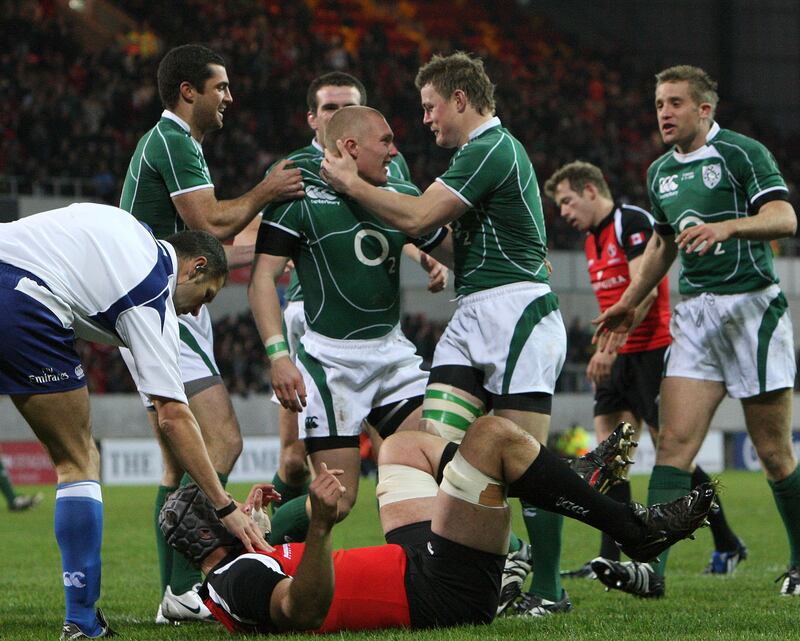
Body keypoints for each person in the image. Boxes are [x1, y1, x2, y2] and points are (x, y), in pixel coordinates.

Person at [322, 51, 568, 616]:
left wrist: (352, 184)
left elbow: (415, 217)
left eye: (430, 106)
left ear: (460, 100)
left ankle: (547, 590)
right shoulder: (474, 157)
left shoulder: (490, 147)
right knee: (444, 452)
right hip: (474, 311)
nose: (426, 118)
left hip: (516, 315)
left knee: (524, 465)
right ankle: (482, 570)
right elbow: (448, 239)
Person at [159, 416, 715, 634]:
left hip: (417, 564)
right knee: (490, 438)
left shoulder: (236, 567)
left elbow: (273, 560)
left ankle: (564, 478)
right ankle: (631, 528)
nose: (235, 509)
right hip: (437, 591)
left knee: (403, 445)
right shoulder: (235, 582)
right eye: (225, 509)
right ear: (214, 534)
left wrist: (259, 516)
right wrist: (323, 531)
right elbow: (298, 610)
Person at [0, 203, 268, 639]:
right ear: (195, 268)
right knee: (78, 461)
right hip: (23, 299)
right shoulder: (150, 293)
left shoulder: (134, 233)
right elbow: (174, 418)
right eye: (206, 296)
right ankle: (83, 621)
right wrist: (224, 506)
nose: (198, 312)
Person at [594, 65, 800, 597]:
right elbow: (663, 244)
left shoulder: (741, 153)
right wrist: (629, 302)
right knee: (674, 449)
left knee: (774, 453)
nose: (664, 112)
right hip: (696, 317)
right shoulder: (658, 172)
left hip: (753, 310)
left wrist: (728, 226)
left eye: (675, 102)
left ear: (704, 110)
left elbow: (784, 217)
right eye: (659, 102)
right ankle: (651, 573)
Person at [118, 44, 303, 623]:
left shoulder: (174, 144)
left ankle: (174, 595)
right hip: (162, 307)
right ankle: (185, 588)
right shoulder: (173, 139)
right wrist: (269, 190)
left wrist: (269, 251)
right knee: (221, 443)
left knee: (176, 465)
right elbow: (212, 221)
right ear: (188, 91)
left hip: (158, 307)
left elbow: (211, 242)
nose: (230, 96)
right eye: (220, 86)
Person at [248, 106, 448, 545]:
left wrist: (516, 255)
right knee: (337, 501)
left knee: (433, 462)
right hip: (330, 364)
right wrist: (279, 356)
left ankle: (433, 565)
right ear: (351, 147)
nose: (395, 151)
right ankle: (244, 542)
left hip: (391, 356)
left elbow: (452, 248)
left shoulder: (401, 190)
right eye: (386, 141)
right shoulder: (300, 194)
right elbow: (263, 278)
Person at [544, 161, 745, 596]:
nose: (562, 212)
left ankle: (727, 540)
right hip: (616, 358)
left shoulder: (631, 221)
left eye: (565, 201)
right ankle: (609, 558)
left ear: (590, 189)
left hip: (651, 352)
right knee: (610, 455)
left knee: (675, 453)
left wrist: (608, 348)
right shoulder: (591, 240)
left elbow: (648, 288)